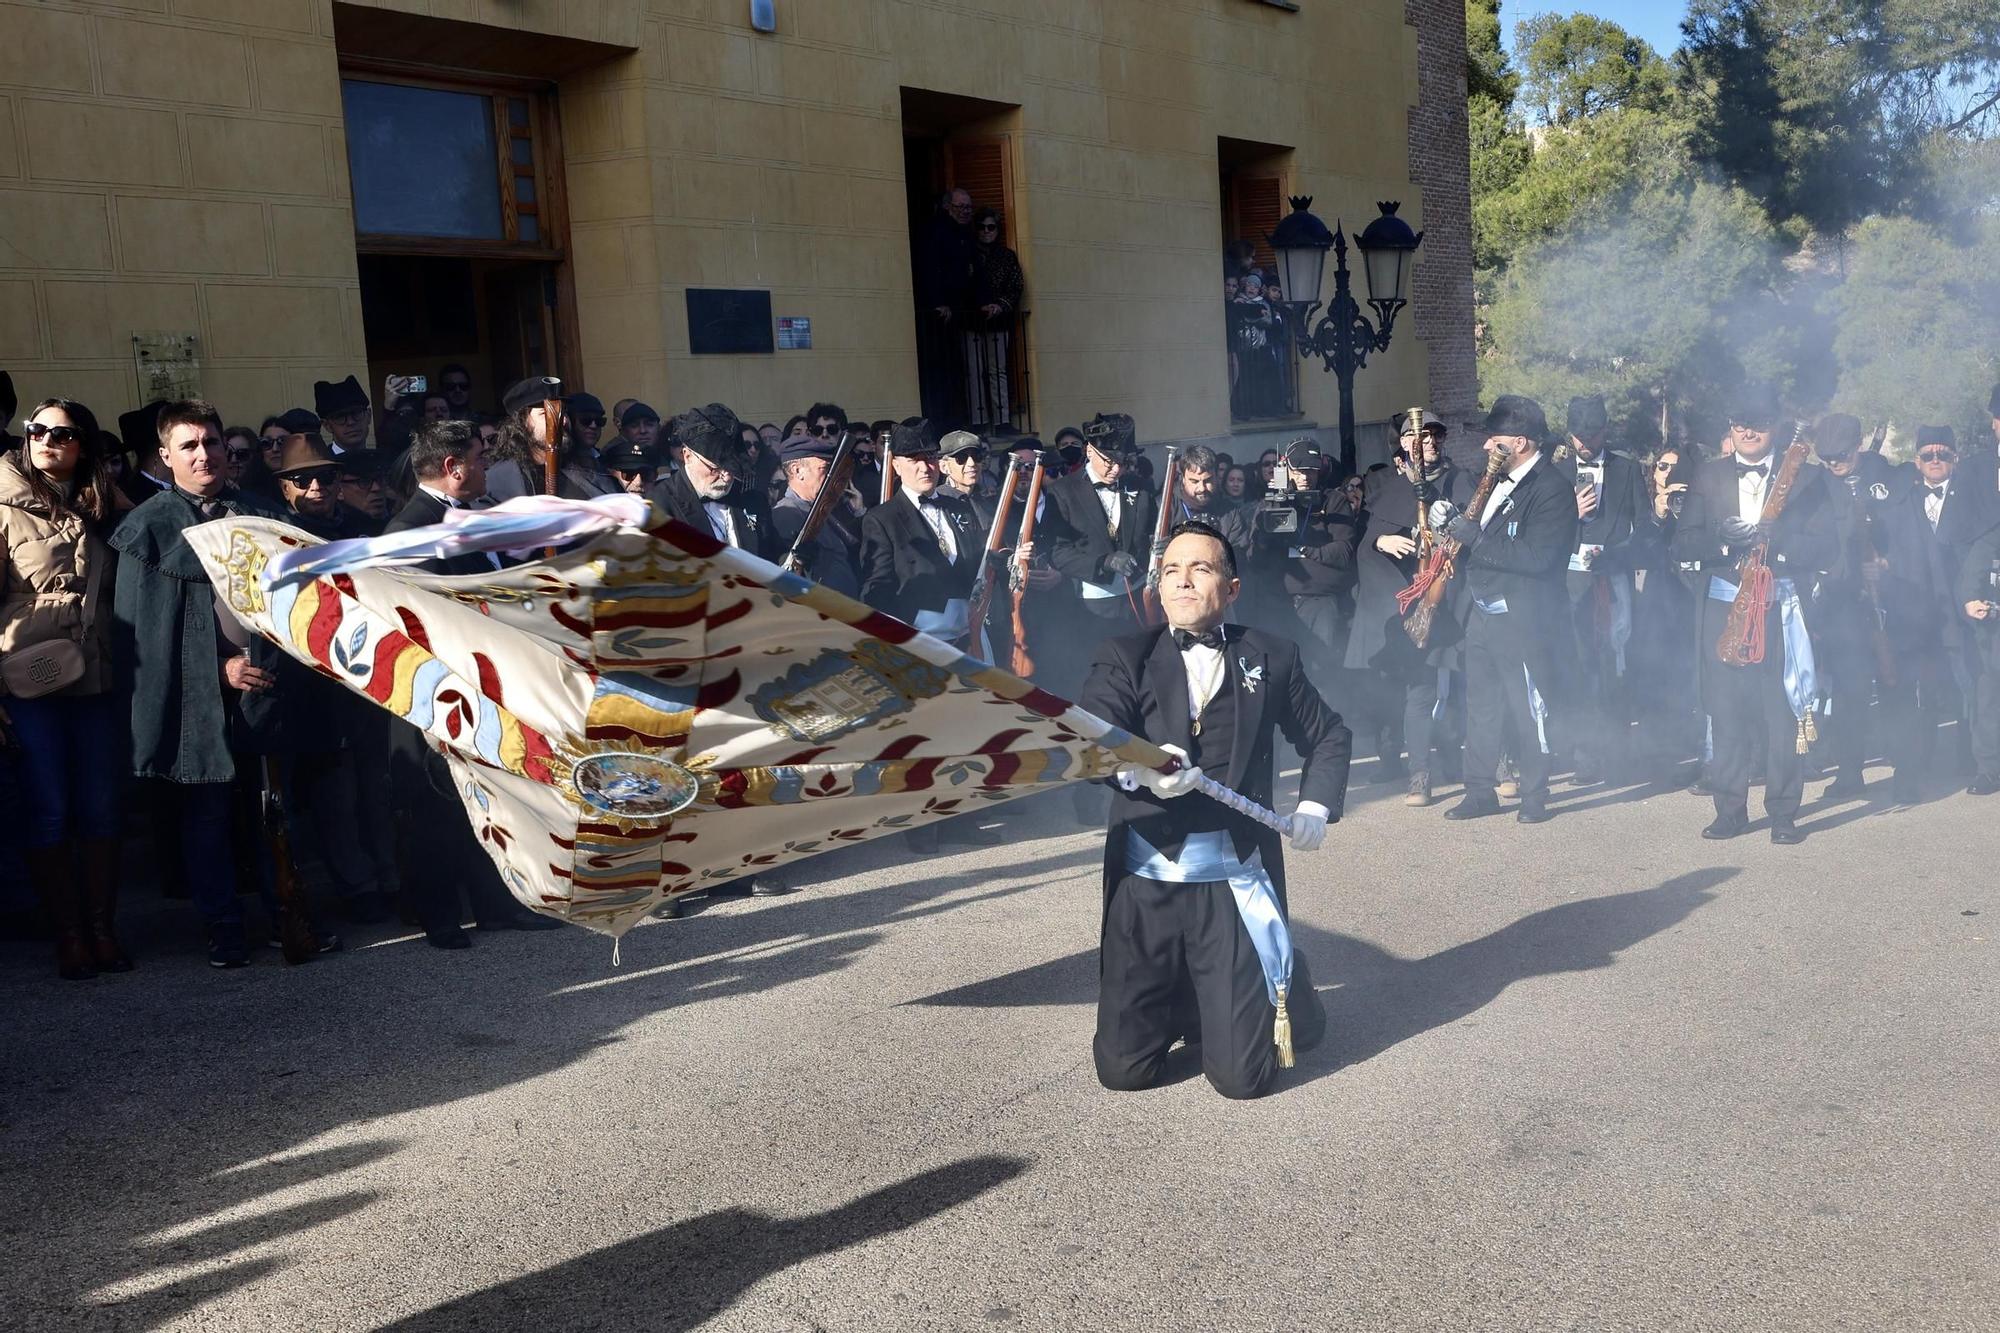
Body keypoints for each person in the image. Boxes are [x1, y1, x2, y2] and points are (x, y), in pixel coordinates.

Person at [1080, 520, 1345, 1099]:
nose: (1182, 581)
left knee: (1242, 1082)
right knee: (1124, 1074)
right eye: (1170, 571)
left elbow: (1328, 735)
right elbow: (1094, 742)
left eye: (1199, 568)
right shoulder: (1123, 656)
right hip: (1145, 884)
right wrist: (1140, 769)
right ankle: (1188, 999)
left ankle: (1285, 986)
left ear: (1232, 587)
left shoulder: (1273, 655)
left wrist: (1316, 805)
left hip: (1233, 880)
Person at [110, 400, 294, 966]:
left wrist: (261, 663)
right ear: (165, 457)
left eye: (211, 442)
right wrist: (218, 668)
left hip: (264, 683)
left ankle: (288, 915)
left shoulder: (259, 513)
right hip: (196, 695)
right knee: (208, 817)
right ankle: (223, 925)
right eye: (188, 446)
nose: (203, 454)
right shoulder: (148, 528)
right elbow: (142, 632)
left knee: (272, 810)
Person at [384, 420, 561, 943]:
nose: (486, 467)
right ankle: (439, 917)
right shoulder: (409, 530)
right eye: (479, 459)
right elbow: (407, 618)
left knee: (490, 796)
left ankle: (497, 905)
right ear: (451, 467)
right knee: (436, 806)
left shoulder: (474, 517)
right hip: (435, 687)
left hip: (486, 681)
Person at [1670, 383, 1839, 843]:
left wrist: (1776, 541)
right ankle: (1730, 810)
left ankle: (1783, 813)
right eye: (1741, 424)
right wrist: (1725, 541)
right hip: (1727, 606)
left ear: (1776, 429)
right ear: (1731, 428)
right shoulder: (1708, 474)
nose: (1748, 432)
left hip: (1780, 608)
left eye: (1759, 425)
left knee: (1780, 714)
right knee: (1726, 714)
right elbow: (1683, 541)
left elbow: (1826, 545)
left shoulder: (1806, 477)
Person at [1, 398, 127, 978]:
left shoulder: (104, 501)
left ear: (84, 443)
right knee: (49, 808)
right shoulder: (1, 501)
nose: (49, 439)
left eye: (64, 432)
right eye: (39, 429)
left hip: (98, 673)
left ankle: (103, 929)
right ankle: (69, 935)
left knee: (100, 807)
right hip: (29, 678)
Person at [1439, 395, 1578, 824]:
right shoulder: (1495, 481)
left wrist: (1477, 539)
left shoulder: (1552, 489)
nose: (1486, 446)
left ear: (1520, 442)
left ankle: (1535, 794)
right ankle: (1479, 790)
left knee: (1528, 707)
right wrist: (1452, 527)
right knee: (1480, 705)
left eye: (1493, 439)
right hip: (1482, 612)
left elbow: (1539, 557)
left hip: (1525, 617)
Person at [1347, 410, 1477, 806]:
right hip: (1418, 606)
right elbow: (1367, 546)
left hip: (1457, 600)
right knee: (1419, 692)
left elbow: (1479, 538)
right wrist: (1382, 542)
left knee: (1468, 689)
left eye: (1437, 436)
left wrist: (1453, 528)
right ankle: (1419, 774)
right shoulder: (1393, 488)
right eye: (1422, 437)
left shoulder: (1462, 481)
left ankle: (1477, 761)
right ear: (1406, 443)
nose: (1431, 443)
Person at [1870, 425, 1996, 802]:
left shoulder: (1977, 499)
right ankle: (1913, 764)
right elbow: (1882, 541)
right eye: (1927, 455)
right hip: (1916, 609)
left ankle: (1979, 764)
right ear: (1916, 461)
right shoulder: (1900, 500)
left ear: (1955, 459)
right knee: (1913, 689)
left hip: (1963, 607)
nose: (1935, 460)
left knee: (1972, 686)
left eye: (1943, 454)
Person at [1555, 394, 1653, 784]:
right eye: (1577, 436)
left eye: (1591, 435)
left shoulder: (1627, 469)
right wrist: (1570, 517)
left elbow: (1644, 526)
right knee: (1580, 666)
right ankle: (1584, 754)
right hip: (1572, 584)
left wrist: (1619, 555)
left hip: (1614, 579)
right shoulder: (1556, 473)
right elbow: (1544, 534)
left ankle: (1618, 752)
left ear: (1604, 431)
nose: (1584, 444)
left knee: (1617, 661)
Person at [648, 403, 776, 559]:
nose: (727, 477)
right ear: (687, 456)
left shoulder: (751, 499)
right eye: (715, 468)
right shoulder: (659, 505)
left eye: (732, 468)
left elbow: (772, 553)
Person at [770, 429, 861, 598]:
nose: (831, 476)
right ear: (797, 471)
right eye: (824, 468)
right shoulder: (786, 514)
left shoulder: (823, 509)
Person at [918, 188, 976, 425]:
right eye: (959, 206)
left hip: (960, 314)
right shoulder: (936, 232)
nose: (964, 211)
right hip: (940, 318)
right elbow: (930, 269)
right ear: (947, 207)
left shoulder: (965, 234)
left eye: (968, 207)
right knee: (944, 377)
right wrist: (938, 302)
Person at [1953, 505, 2000, 793]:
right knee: (1989, 694)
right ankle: (1989, 769)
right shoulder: (1992, 533)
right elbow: (1975, 568)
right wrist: (1971, 597)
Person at [966, 207, 1025, 426]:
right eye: (981, 227)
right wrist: (977, 307)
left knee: (997, 371)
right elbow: (960, 286)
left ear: (997, 230)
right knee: (973, 372)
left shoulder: (1006, 256)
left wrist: (1000, 306)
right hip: (970, 321)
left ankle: (1002, 421)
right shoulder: (967, 254)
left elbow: (1016, 286)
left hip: (998, 322)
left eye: (990, 227)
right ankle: (978, 420)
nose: (986, 231)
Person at [315, 375, 373, 453]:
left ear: (369, 416)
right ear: (327, 425)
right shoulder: (321, 463)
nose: (350, 422)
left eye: (356, 413)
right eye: (340, 417)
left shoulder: (385, 460)